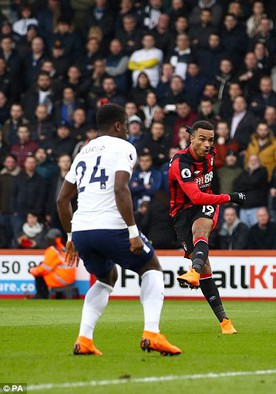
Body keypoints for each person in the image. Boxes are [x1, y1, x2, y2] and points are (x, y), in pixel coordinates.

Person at [56, 103, 181, 356]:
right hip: (110, 226)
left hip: (82, 231)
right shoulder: (125, 147)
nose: (126, 130)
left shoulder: (83, 151)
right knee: (151, 268)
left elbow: (62, 200)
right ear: (117, 125)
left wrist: (70, 236)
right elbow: (120, 188)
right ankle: (152, 333)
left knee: (106, 278)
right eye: (125, 125)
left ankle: (84, 339)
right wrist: (133, 231)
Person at [170, 120, 246, 335]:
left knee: (201, 231)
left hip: (206, 204)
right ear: (191, 138)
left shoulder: (212, 155)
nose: (206, 144)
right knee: (206, 269)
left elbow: (202, 196)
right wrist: (230, 197)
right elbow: (194, 196)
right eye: (202, 139)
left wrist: (216, 200)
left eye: (210, 140)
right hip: (182, 212)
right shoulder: (180, 163)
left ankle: (193, 271)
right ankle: (225, 322)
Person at [28, 228, 76, 299]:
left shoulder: (52, 251)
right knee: (43, 269)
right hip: (70, 279)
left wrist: (32, 270)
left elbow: (44, 269)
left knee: (39, 273)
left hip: (61, 279)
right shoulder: (64, 248)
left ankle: (41, 295)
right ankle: (58, 296)